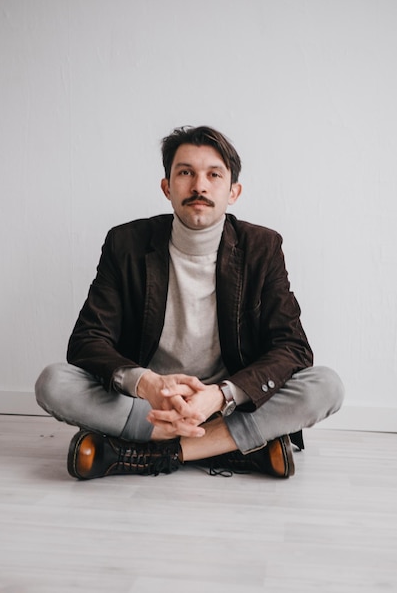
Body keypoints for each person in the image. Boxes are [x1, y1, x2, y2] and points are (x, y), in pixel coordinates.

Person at [35, 125, 344, 481]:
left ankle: (149, 453)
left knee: (327, 385)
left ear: (234, 191)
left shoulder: (262, 247)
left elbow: (292, 348)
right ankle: (231, 448)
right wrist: (147, 385)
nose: (200, 186)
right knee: (53, 381)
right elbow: (87, 341)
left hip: (228, 404)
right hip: (148, 404)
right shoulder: (126, 244)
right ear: (167, 187)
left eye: (214, 175)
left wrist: (220, 396)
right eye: (186, 173)